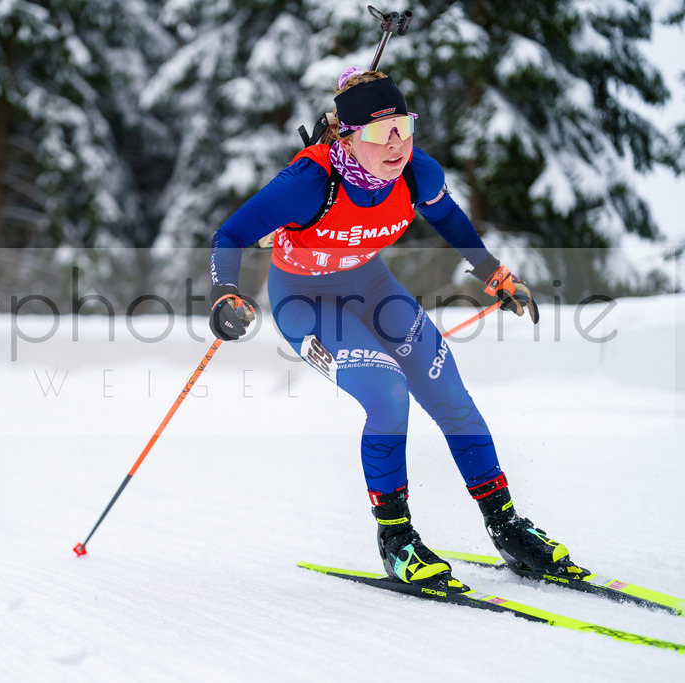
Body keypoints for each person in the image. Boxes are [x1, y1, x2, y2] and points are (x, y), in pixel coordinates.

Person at [207, 68, 584, 588]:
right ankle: (396, 540)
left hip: (371, 287)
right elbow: (229, 234)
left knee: (449, 390)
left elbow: (450, 219)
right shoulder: (307, 182)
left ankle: (506, 527)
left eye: (404, 129)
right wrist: (225, 293)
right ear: (345, 135)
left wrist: (495, 273)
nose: (395, 146)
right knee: (387, 393)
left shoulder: (417, 174)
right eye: (379, 133)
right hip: (305, 302)